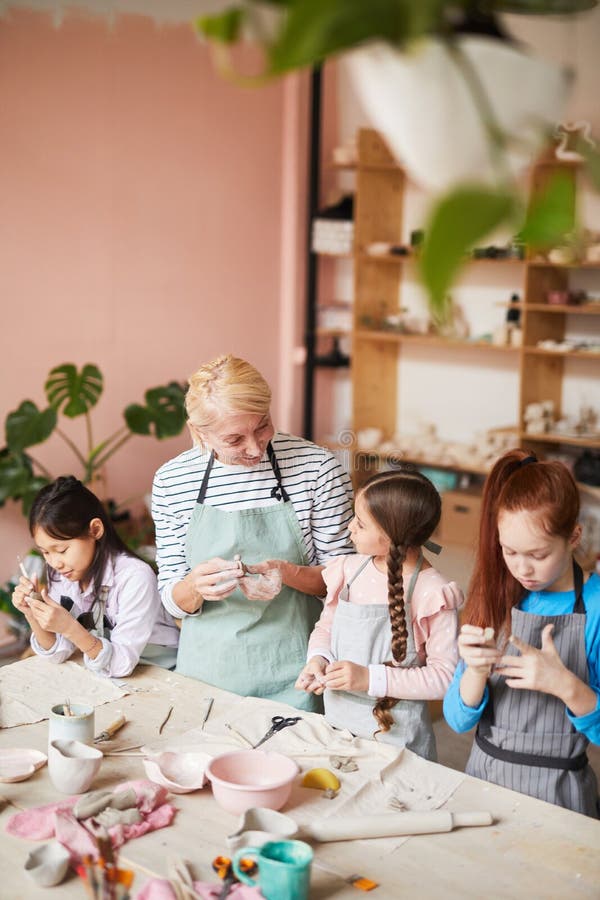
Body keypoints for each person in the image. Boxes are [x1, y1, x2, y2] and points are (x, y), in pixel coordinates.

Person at [151, 354, 354, 711]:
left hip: (299, 672)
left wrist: (287, 573)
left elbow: (347, 583)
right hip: (207, 674)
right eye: (234, 438)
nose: (255, 447)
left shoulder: (317, 468)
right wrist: (194, 588)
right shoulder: (172, 481)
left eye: (262, 426)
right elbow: (171, 600)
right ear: (200, 432)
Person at [443, 449, 600, 817]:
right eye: (509, 551)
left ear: (574, 537)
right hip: (483, 781)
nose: (521, 568)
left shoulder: (595, 607)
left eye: (538, 554)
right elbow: (457, 720)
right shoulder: (498, 594)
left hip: (559, 796)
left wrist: (564, 685)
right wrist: (476, 672)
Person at [295, 467, 462, 759]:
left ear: (389, 535)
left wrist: (368, 679)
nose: (349, 527)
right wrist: (318, 659)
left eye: (360, 523)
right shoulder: (349, 569)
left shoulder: (433, 593)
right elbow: (326, 627)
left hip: (398, 745)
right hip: (338, 728)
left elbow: (444, 678)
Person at [12, 476, 179, 677]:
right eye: (46, 552)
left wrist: (71, 628)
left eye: (62, 550)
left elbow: (120, 664)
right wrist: (31, 613)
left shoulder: (135, 578)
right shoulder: (62, 575)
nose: (55, 562)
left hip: (162, 674)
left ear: (95, 530)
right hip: (113, 675)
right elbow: (58, 652)